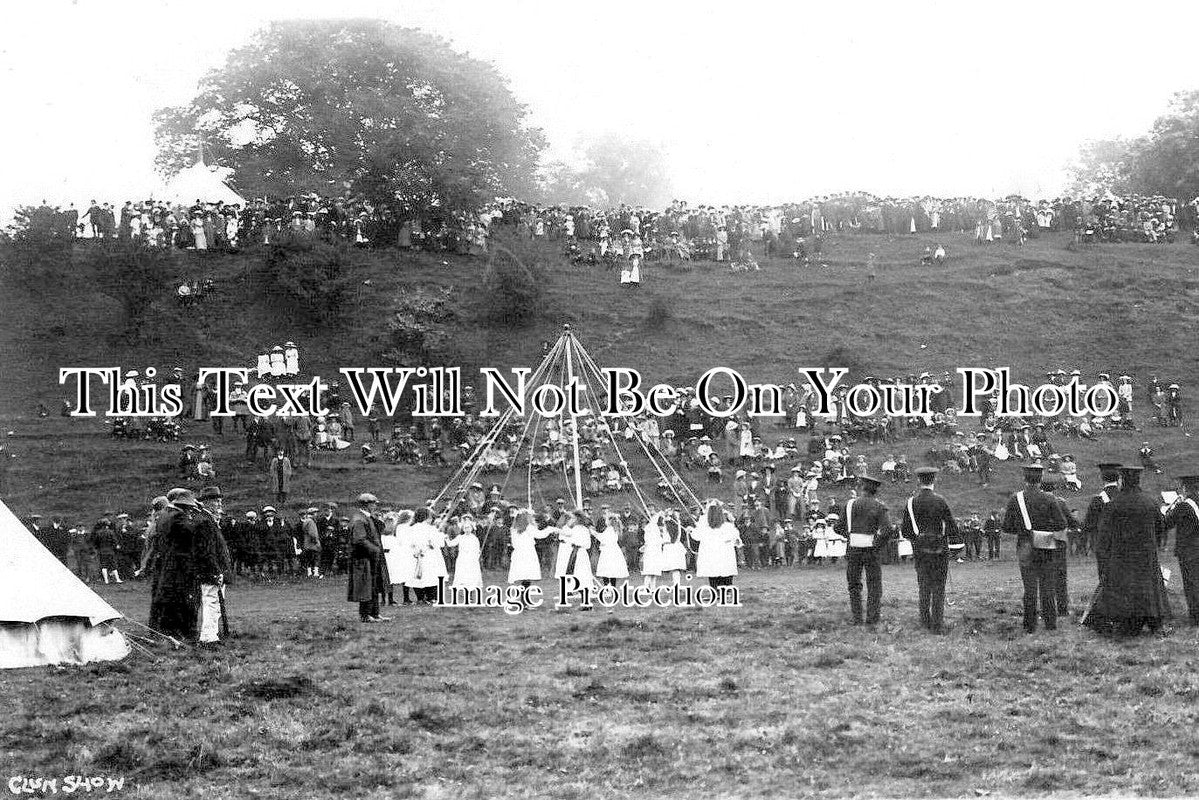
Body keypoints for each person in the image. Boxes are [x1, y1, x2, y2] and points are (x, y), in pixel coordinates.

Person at [1085, 466, 1172, 636]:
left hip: (1121, 557)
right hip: (1146, 557)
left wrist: (1104, 558)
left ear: (1122, 480)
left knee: (1124, 590)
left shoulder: (1114, 505)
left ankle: (1126, 623)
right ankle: (1153, 621)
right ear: (1138, 480)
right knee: (1148, 589)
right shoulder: (1150, 502)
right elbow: (1161, 527)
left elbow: (1104, 536)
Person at [1002, 465, 1070, 633]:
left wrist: (1024, 531)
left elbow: (1007, 527)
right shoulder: (1049, 498)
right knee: (1048, 587)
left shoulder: (1015, 499)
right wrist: (1045, 529)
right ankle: (1050, 623)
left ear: (1025, 479)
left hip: (1025, 546)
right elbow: (1062, 524)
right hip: (1046, 546)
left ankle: (1029, 625)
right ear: (1041, 480)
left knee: (1030, 588)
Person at [900, 467, 958, 634]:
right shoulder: (941, 501)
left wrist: (918, 539)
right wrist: (947, 540)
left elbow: (906, 531)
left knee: (923, 586)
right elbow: (952, 527)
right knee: (939, 587)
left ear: (919, 481)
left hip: (920, 550)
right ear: (934, 481)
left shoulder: (911, 502)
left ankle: (924, 621)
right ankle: (937, 624)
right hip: (940, 549)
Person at [834, 475, 891, 625]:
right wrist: (875, 544)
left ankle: (857, 618)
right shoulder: (879, 506)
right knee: (874, 585)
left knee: (853, 584)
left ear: (862, 488)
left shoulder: (850, 505)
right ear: (876, 491)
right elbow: (887, 530)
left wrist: (851, 535)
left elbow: (837, 527)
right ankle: (872, 619)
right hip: (871, 551)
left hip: (853, 549)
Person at [149, 489, 203, 641]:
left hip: (168, 564)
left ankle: (167, 631)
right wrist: (200, 512)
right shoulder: (178, 516)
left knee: (169, 600)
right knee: (183, 600)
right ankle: (182, 632)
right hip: (180, 566)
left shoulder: (164, 515)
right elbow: (193, 530)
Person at [194, 486, 233, 645]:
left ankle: (211, 633)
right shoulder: (205, 521)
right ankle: (208, 636)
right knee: (212, 601)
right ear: (207, 502)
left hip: (213, 568)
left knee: (214, 602)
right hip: (210, 569)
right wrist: (216, 571)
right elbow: (207, 551)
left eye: (219, 500)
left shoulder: (207, 519)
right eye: (216, 500)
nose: (219, 504)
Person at [1163, 475, 1199, 625]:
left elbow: (1167, 523)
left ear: (1185, 489)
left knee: (1191, 583)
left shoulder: (1183, 505)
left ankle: (1196, 615)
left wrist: (1166, 509)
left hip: (1189, 549)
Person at [347, 493, 388, 622]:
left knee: (374, 586)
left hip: (370, 558)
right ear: (367, 504)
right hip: (363, 558)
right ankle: (365, 615)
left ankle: (375, 613)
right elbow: (359, 540)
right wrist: (375, 550)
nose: (375, 506)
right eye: (373, 503)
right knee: (366, 587)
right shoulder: (359, 519)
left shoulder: (367, 517)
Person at [690, 501, 740, 589]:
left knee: (713, 571)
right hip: (724, 555)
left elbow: (695, 536)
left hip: (712, 555)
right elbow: (735, 535)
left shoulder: (705, 529)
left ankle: (716, 589)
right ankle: (726, 589)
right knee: (725, 570)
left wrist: (692, 529)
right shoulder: (727, 527)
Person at [407, 507, 447, 604]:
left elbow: (409, 543)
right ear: (425, 517)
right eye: (430, 517)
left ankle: (420, 598)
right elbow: (438, 543)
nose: (431, 519)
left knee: (418, 576)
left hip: (416, 555)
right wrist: (441, 535)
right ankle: (430, 597)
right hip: (430, 555)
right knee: (432, 575)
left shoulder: (411, 528)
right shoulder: (431, 529)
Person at [446, 513, 483, 591]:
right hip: (462, 556)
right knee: (462, 570)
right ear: (463, 529)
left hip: (471, 557)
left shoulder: (474, 538)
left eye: (469, 528)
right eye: (465, 528)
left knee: (471, 570)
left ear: (472, 528)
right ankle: (462, 583)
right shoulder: (460, 537)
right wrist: (447, 539)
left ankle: (471, 583)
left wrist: (476, 556)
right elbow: (451, 544)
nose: (467, 529)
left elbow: (477, 549)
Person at [300, 507, 322, 578]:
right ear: (312, 514)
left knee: (309, 558)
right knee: (316, 558)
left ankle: (309, 572)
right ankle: (316, 573)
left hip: (307, 543)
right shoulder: (311, 522)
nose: (317, 514)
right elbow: (313, 533)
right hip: (312, 544)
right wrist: (316, 542)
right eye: (315, 513)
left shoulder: (306, 521)